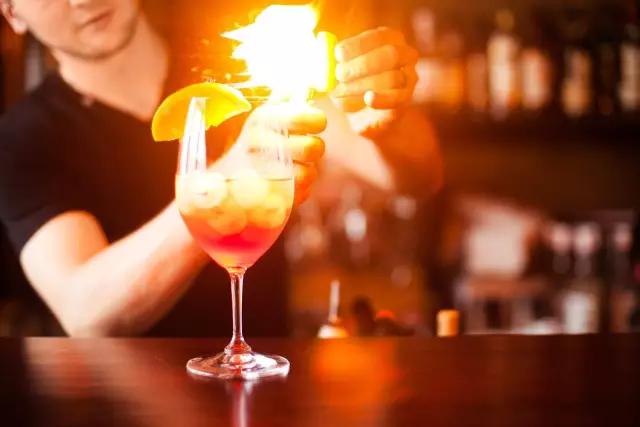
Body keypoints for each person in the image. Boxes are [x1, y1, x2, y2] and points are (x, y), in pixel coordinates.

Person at [0, 0, 442, 337]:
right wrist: (221, 185)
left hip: (266, 397)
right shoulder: (22, 141)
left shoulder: (249, 64)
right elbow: (86, 312)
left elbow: (418, 178)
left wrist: (388, 122)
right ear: (12, 12)